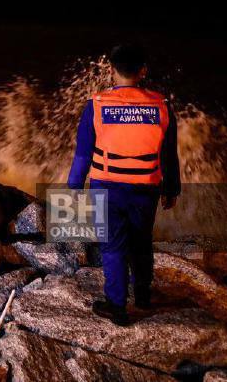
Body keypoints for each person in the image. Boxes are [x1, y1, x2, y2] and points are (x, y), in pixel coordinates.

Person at [67, 44, 181, 326]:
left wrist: (74, 188)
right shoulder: (162, 105)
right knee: (141, 239)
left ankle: (117, 306)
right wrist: (171, 189)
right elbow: (169, 154)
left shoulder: (96, 105)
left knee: (112, 245)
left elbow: (82, 154)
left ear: (111, 70)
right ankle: (142, 294)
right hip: (146, 187)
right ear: (143, 71)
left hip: (107, 187)